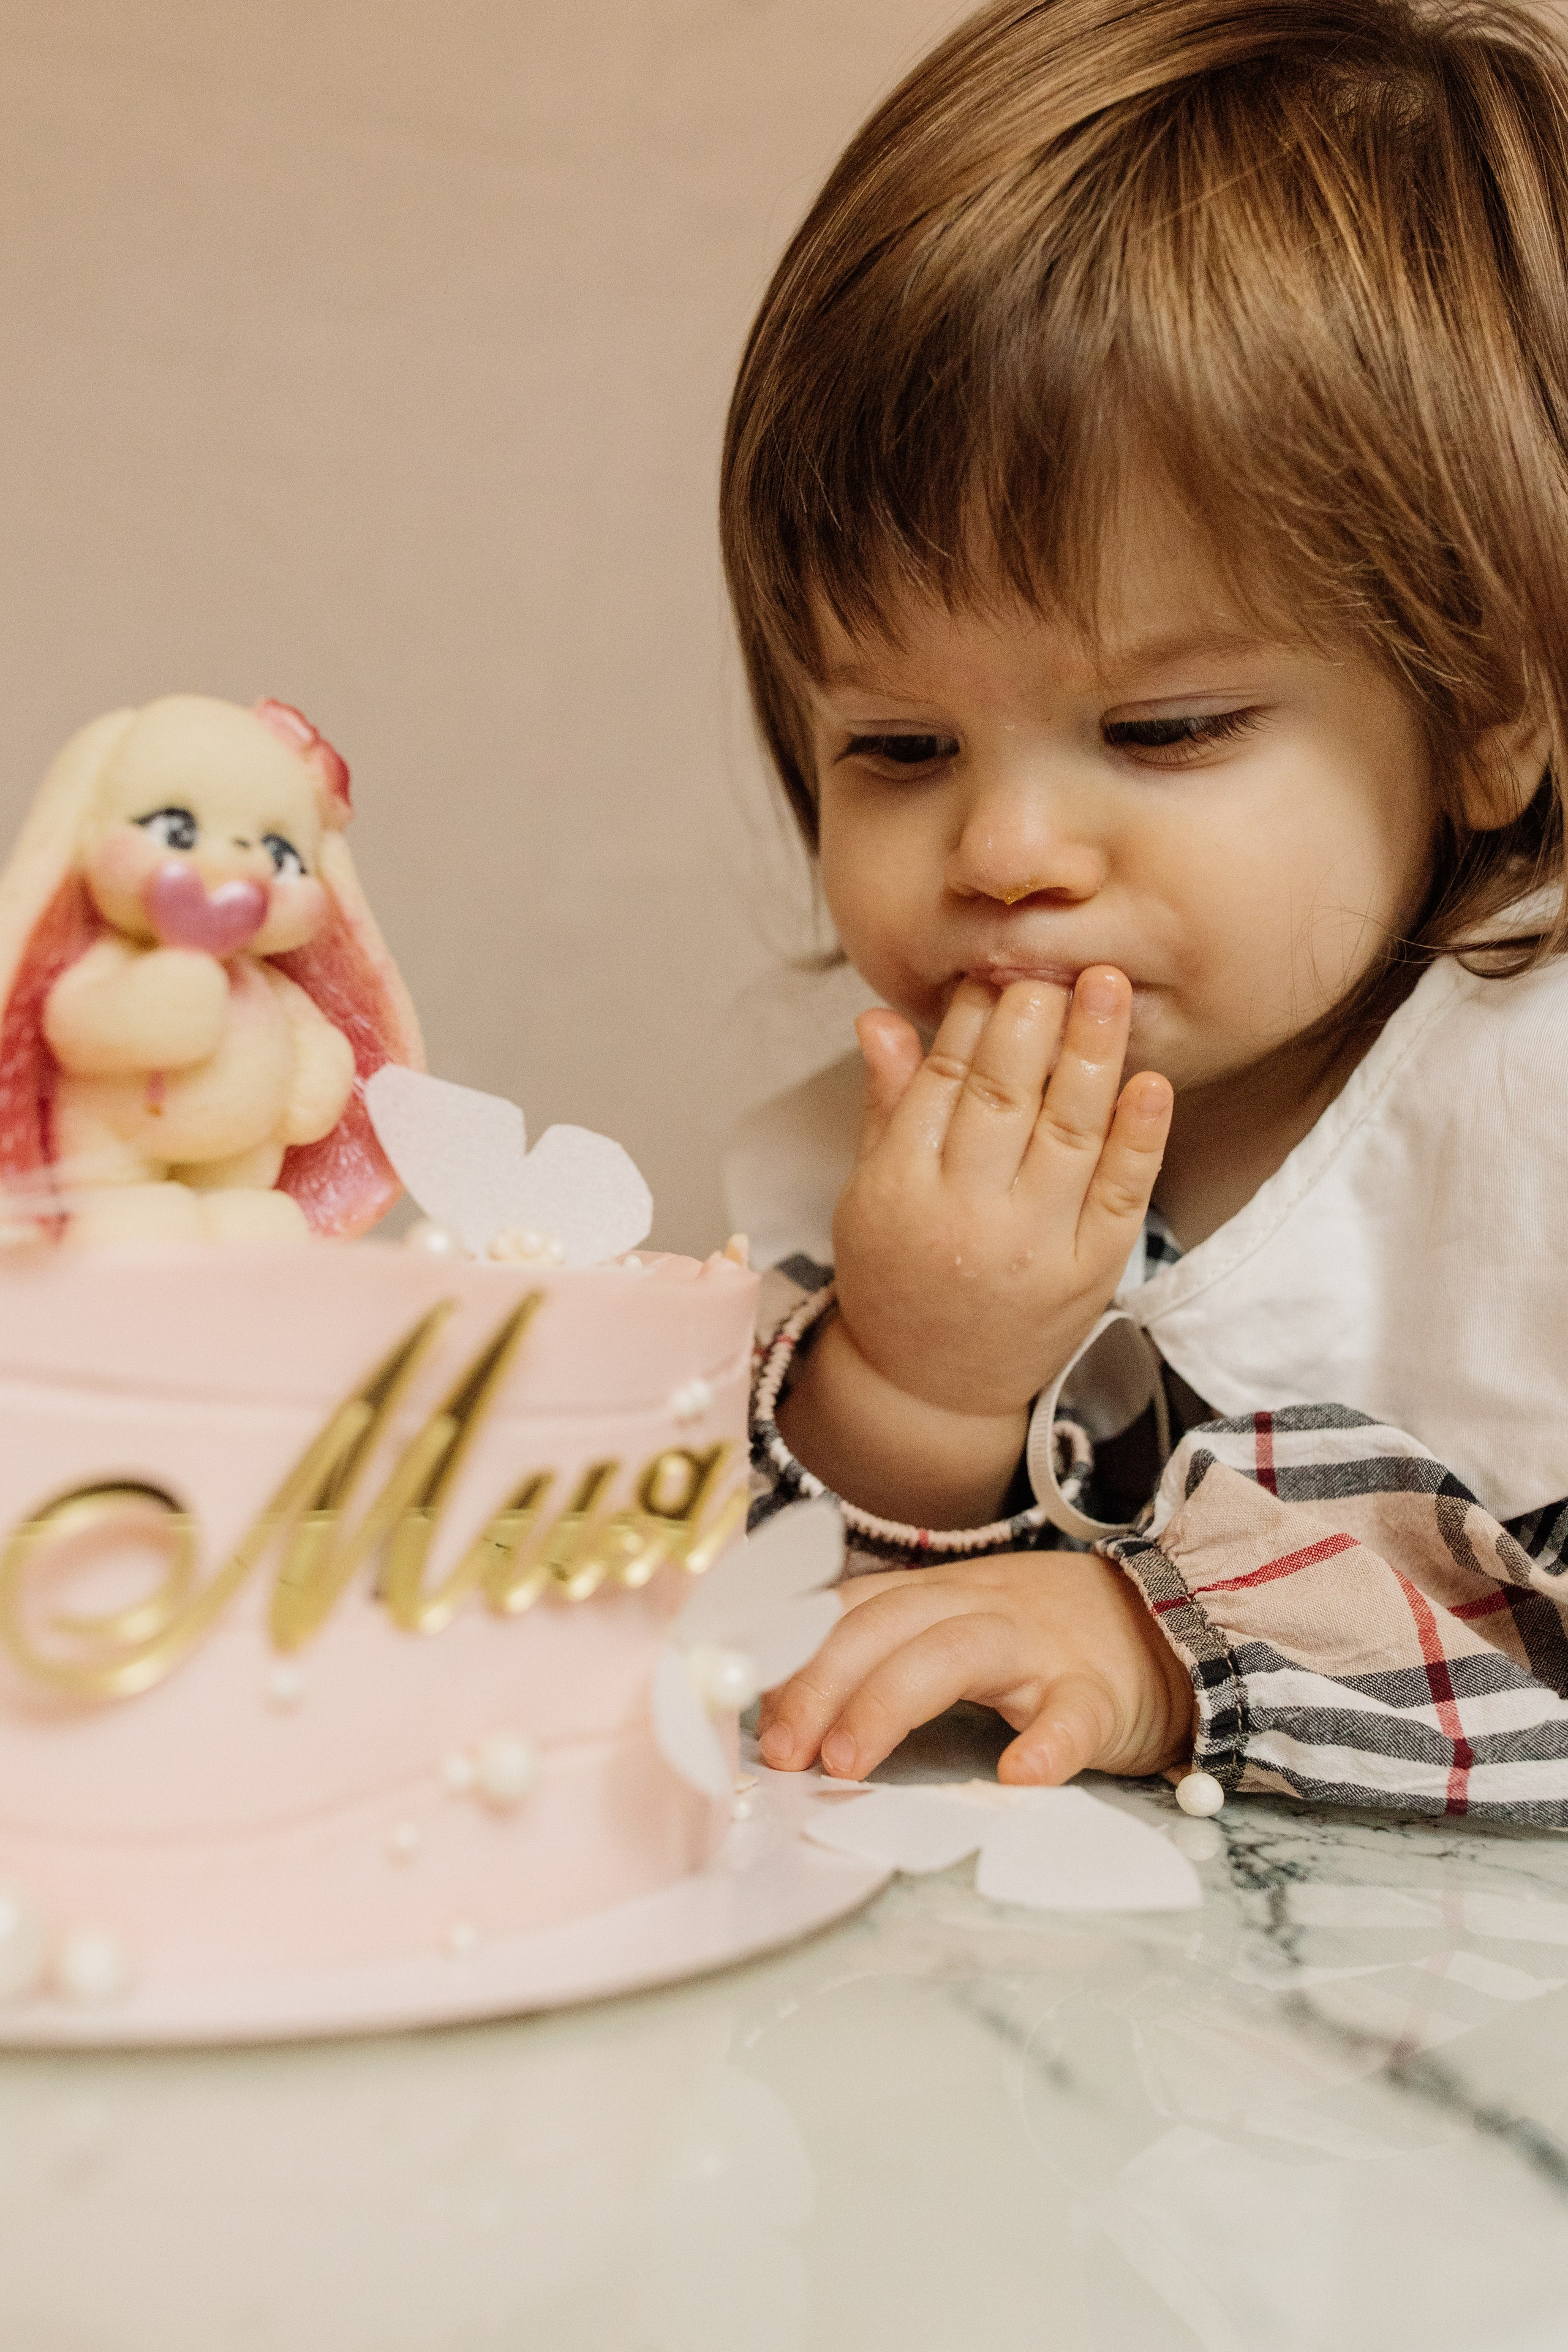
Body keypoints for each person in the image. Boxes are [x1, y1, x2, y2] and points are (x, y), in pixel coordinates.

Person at [718, 0, 1568, 1823]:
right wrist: (915, 1388)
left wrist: (1170, 1645)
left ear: (1492, 713)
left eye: (1165, 727)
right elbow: (724, 1623)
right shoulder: (908, 1150)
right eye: (896, 744)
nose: (1005, 844)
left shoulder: (1533, 1126)